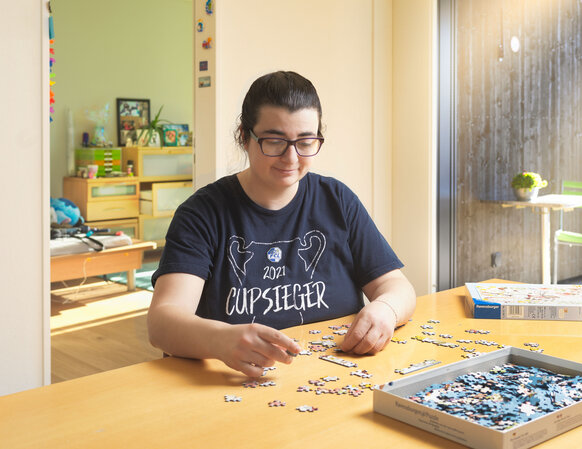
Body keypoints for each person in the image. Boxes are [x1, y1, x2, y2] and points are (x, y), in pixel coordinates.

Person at [147, 71, 416, 377]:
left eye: (305, 142)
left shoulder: (337, 200)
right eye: (274, 141)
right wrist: (220, 339)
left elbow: (397, 287)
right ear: (244, 136)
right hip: (234, 383)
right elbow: (162, 322)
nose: (291, 157)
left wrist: (385, 309)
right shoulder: (201, 214)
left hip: (336, 379)